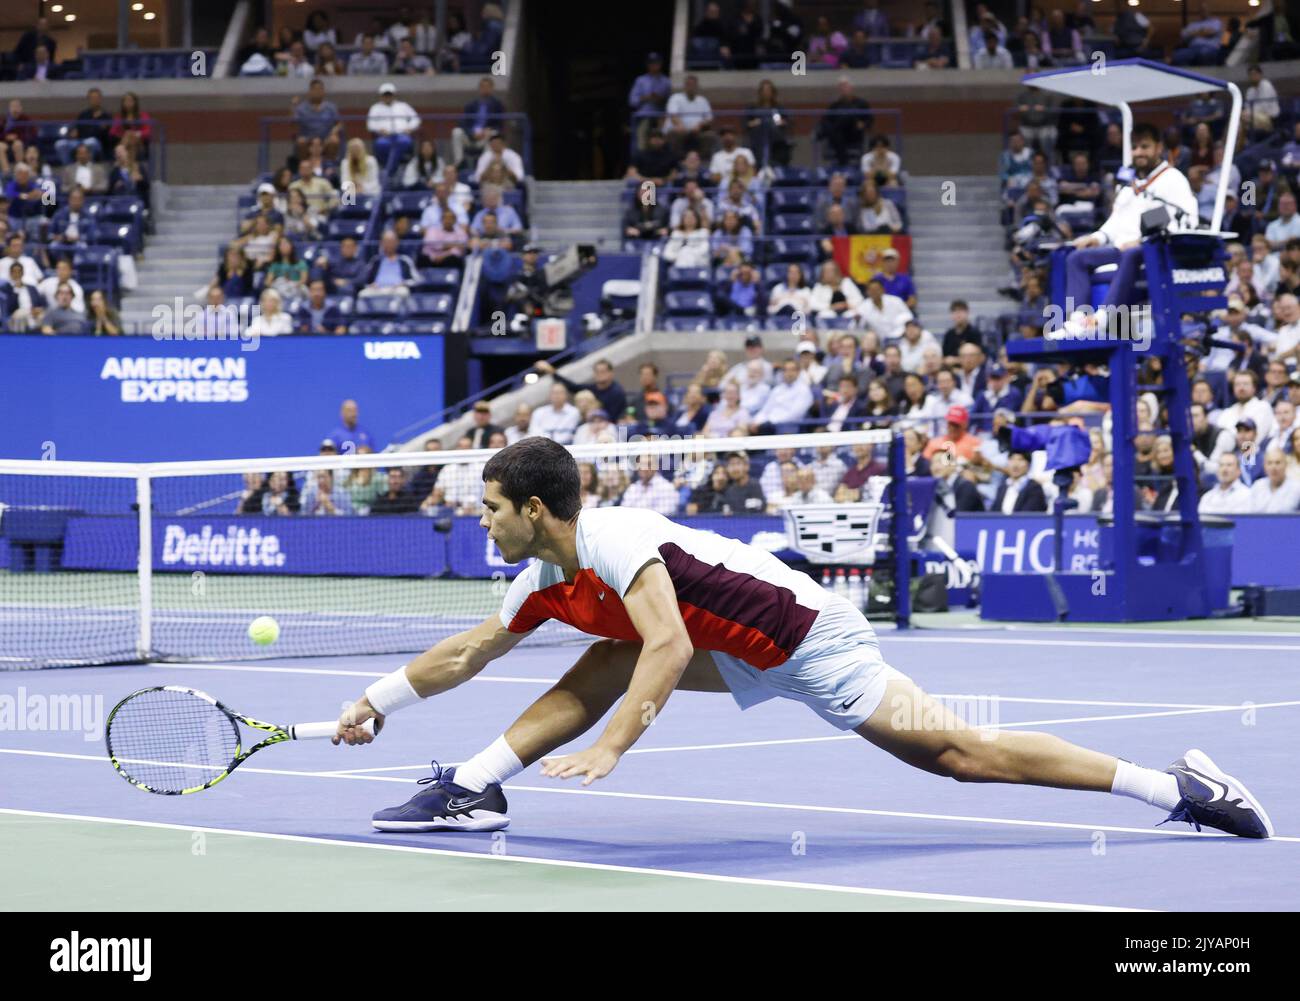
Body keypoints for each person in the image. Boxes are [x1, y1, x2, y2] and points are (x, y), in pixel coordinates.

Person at [333, 437, 1275, 840]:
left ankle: (1178, 786)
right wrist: (374, 702)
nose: (482, 521)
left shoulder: (616, 543)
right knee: (600, 655)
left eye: (492, 508)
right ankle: (473, 784)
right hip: (733, 643)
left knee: (960, 755)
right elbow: (466, 653)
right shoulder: (545, 577)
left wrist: (614, 742)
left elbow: (665, 648)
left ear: (536, 507)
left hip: (806, 639)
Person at [1060, 123, 1198, 338]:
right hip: (1122, 249)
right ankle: (1078, 322)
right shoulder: (1129, 186)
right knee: (1076, 258)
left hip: (1154, 252)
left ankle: (1101, 319)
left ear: (1158, 148)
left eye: (1145, 147)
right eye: (1135, 147)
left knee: (1132, 253)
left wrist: (1144, 240)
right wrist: (1097, 237)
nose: (1139, 152)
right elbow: (1115, 223)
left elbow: (1185, 220)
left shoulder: (1173, 179)